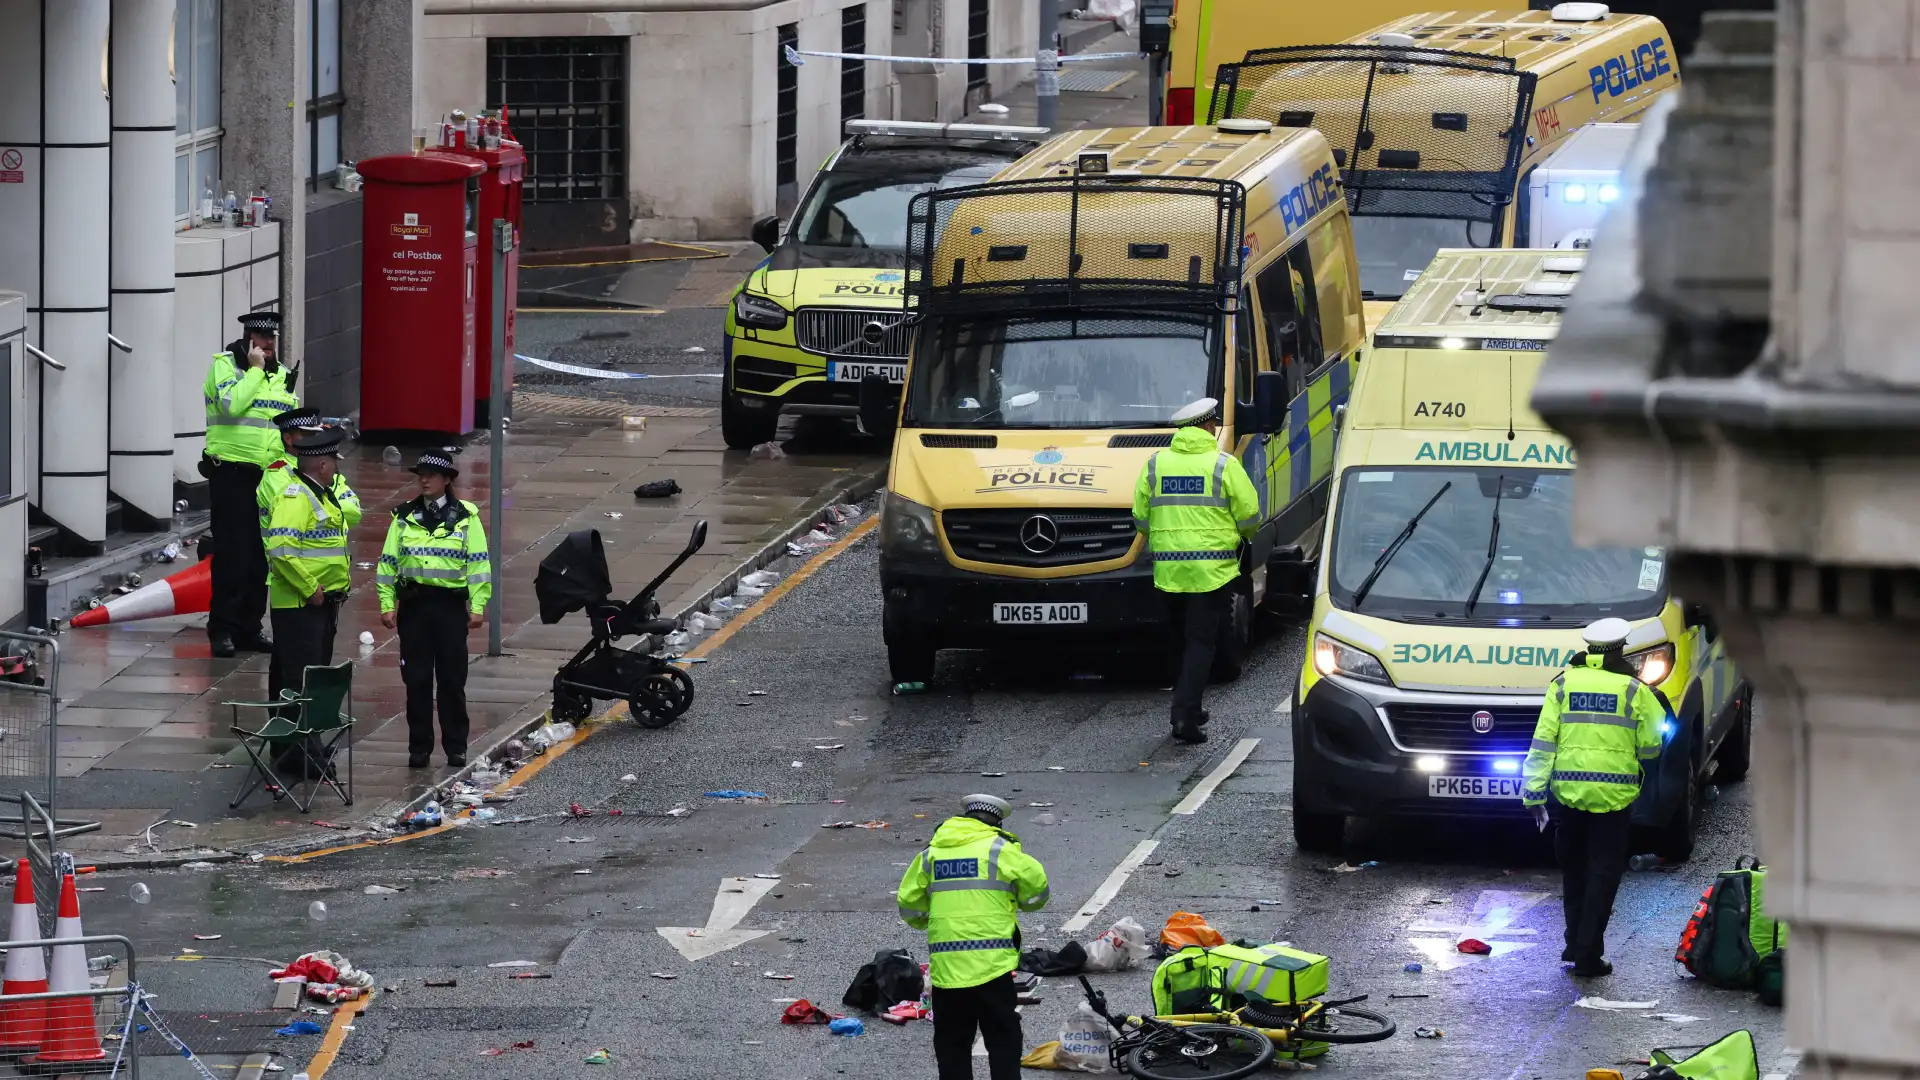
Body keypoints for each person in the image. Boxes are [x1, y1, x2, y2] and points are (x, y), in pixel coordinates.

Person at [1521, 617, 1670, 978]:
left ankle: (1575, 943)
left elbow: (1543, 743)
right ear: (1621, 650)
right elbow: (1652, 744)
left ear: (1589, 649)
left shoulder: (1562, 684)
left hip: (1569, 798)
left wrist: (1533, 793)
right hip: (1614, 801)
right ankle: (1587, 955)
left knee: (1574, 873)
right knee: (1603, 877)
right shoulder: (1634, 690)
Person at [1131, 397, 1260, 745]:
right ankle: (1184, 717)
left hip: (1169, 571)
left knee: (1180, 641)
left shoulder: (1155, 465)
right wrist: (1241, 536)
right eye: (1214, 423)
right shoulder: (1223, 464)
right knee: (1202, 643)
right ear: (1208, 426)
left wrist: (1162, 538)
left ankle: (1190, 705)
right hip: (1210, 572)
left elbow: (1140, 517)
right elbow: (1249, 513)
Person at [897, 794, 1049, 1080]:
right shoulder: (1001, 849)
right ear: (996, 823)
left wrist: (930, 919)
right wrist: (1015, 900)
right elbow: (1037, 893)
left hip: (947, 969)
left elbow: (909, 904)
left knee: (952, 1044)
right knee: (1003, 1040)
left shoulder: (931, 854)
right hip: (993, 966)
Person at [376, 450, 492, 769]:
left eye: (431, 475)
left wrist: (478, 606)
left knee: (452, 680)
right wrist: (386, 603)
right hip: (414, 607)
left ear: (446, 479)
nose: (424, 480)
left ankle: (456, 746)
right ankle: (419, 747)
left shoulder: (466, 517)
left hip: (450, 608)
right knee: (416, 680)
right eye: (421, 475)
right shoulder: (403, 516)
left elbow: (478, 564)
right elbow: (388, 563)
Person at [201, 311, 297, 657]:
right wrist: (255, 370)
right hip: (232, 473)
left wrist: (289, 471)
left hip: (269, 478)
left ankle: (249, 628)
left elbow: (286, 431)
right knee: (232, 555)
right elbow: (231, 406)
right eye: (261, 337)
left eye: (272, 338)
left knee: (260, 557)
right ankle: (222, 629)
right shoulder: (225, 366)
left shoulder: (282, 374)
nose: (268, 343)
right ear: (248, 338)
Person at [263, 429, 361, 759]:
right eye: (334, 461)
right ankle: (301, 752)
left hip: (319, 604)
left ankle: (294, 749)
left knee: (306, 677)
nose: (336, 467)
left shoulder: (319, 494)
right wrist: (310, 588)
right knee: (301, 681)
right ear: (322, 464)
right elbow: (281, 549)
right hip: (300, 605)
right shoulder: (296, 497)